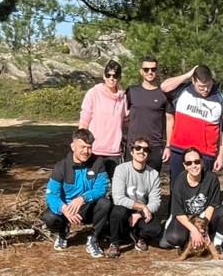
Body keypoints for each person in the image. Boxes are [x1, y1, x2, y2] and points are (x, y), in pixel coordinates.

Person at [42, 129, 112, 258]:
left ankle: (93, 238)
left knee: (105, 203)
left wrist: (83, 198)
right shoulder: (61, 167)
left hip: (87, 207)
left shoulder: (98, 163)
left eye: (89, 147)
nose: (86, 151)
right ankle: (63, 232)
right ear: (73, 146)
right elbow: (51, 195)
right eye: (82, 147)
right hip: (66, 210)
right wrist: (63, 208)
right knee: (49, 217)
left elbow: (102, 188)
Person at [161, 65, 223, 188]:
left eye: (208, 85)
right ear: (193, 81)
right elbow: (164, 87)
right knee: (177, 187)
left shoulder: (219, 97)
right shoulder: (182, 90)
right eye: (201, 86)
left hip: (205, 154)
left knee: (201, 190)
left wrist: (221, 156)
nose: (205, 90)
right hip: (180, 149)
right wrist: (188, 74)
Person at [159, 147, 223, 251]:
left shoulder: (212, 178)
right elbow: (179, 213)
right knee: (174, 238)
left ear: (202, 162)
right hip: (186, 217)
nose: (193, 166)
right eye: (189, 163)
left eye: (197, 162)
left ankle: (217, 243)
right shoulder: (179, 182)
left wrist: (203, 227)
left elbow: (212, 205)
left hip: (204, 216)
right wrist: (194, 230)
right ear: (185, 165)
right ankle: (187, 236)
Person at [106, 137, 163, 258]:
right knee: (118, 212)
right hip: (124, 208)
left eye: (145, 149)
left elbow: (156, 202)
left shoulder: (153, 174)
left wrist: (140, 213)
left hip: (140, 212)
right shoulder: (121, 169)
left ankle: (137, 236)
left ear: (148, 154)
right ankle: (115, 242)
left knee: (156, 229)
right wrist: (142, 206)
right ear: (132, 151)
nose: (141, 151)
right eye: (138, 148)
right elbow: (118, 198)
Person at [79, 59, 128, 178]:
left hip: (114, 152)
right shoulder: (93, 93)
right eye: (108, 75)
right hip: (94, 150)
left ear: (119, 78)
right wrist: (81, 144)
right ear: (104, 76)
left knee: (115, 188)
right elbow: (84, 120)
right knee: (91, 185)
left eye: (115, 75)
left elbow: (127, 121)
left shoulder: (123, 98)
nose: (112, 78)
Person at [125, 55, 174, 172]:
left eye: (153, 69)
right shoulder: (131, 91)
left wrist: (168, 146)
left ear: (157, 71)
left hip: (154, 147)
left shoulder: (164, 94)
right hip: (133, 145)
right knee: (131, 185)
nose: (150, 72)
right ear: (141, 71)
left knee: (151, 184)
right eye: (146, 69)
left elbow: (170, 120)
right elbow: (122, 115)